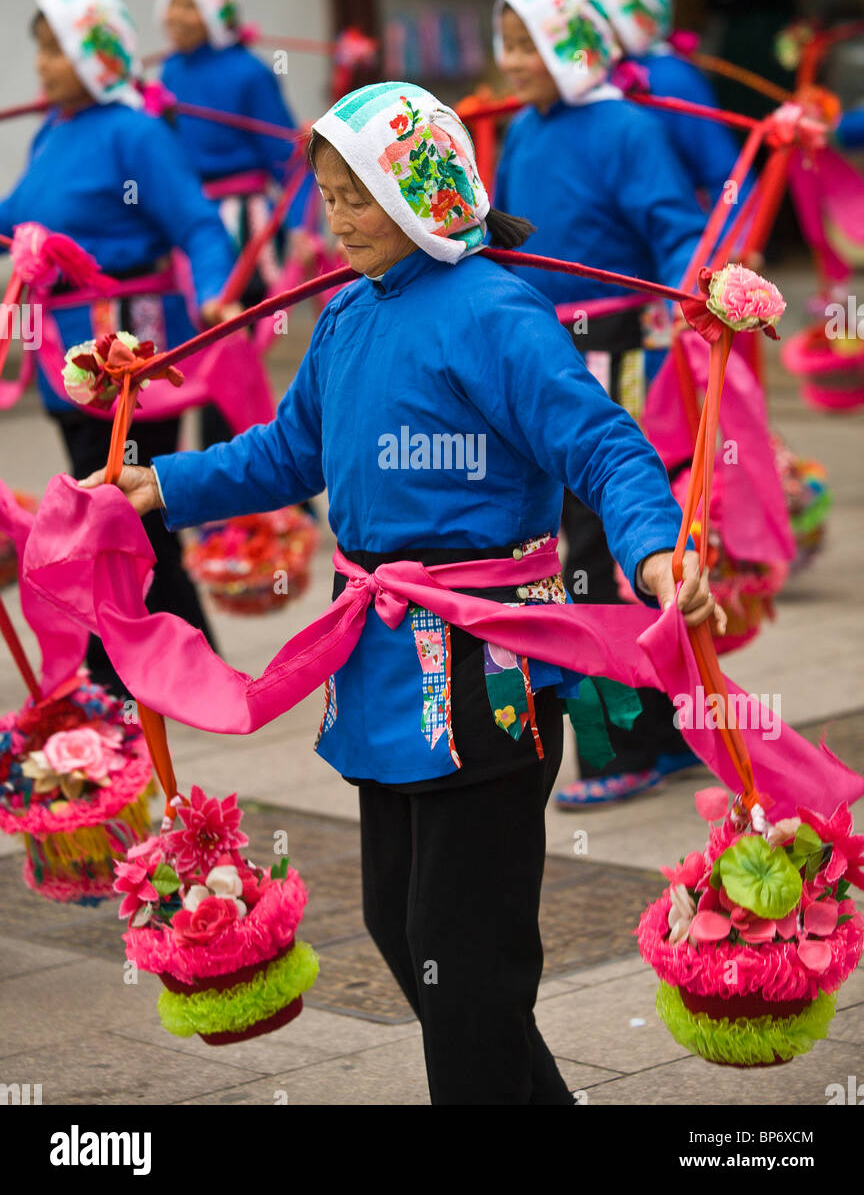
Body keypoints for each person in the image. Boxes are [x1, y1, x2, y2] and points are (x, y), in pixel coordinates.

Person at [81, 80, 717, 1106]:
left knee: (463, 955)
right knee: (398, 923)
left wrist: (653, 553)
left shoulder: (496, 312)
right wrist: (165, 484)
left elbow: (601, 443)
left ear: (424, 193)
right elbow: (293, 449)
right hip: (377, 660)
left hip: (482, 665)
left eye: (358, 196)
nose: (335, 217)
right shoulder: (344, 316)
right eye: (328, 195)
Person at [492, 0, 707, 804]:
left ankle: (620, 749)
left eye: (523, 44)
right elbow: (503, 230)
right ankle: (666, 734)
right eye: (505, 43)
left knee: (588, 542)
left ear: (566, 44)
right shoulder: (521, 131)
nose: (509, 61)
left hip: (616, 348)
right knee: (568, 537)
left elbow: (677, 228)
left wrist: (699, 299)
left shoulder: (624, 127)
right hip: (541, 349)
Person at [0, 0, 238, 695]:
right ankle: (126, 669)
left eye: (54, 51)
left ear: (94, 53)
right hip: (56, 344)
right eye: (37, 52)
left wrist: (220, 294)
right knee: (98, 507)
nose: (40, 67)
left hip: (121, 351)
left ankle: (176, 670)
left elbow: (195, 222)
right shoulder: (54, 131)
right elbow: (18, 217)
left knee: (134, 512)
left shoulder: (134, 131)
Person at [155, 0, 315, 446]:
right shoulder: (167, 74)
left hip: (241, 229)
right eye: (171, 6)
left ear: (215, 9)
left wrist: (303, 227)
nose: (176, 18)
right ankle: (225, 488)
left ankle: (241, 493)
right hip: (184, 223)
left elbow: (290, 160)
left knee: (226, 349)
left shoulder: (250, 73)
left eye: (189, 6)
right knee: (193, 353)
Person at [583, 0, 753, 210]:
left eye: (599, 8)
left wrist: (732, 239)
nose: (586, 19)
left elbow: (727, 176)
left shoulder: (673, 77)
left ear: (630, 18)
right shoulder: (596, 73)